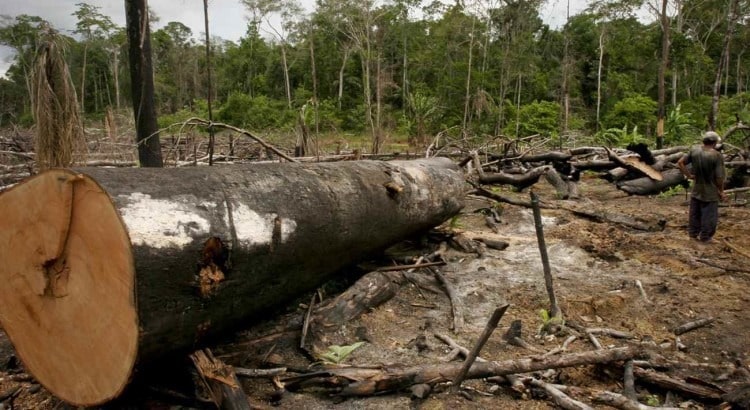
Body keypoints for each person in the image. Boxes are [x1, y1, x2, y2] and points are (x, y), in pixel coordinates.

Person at [677, 131, 727, 242]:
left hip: (697, 189)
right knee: (709, 216)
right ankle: (706, 237)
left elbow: (680, 162)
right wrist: (721, 191)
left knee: (695, 213)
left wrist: (689, 175)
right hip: (710, 191)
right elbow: (719, 177)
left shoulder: (694, 151)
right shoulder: (716, 155)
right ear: (714, 143)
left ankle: (693, 235)